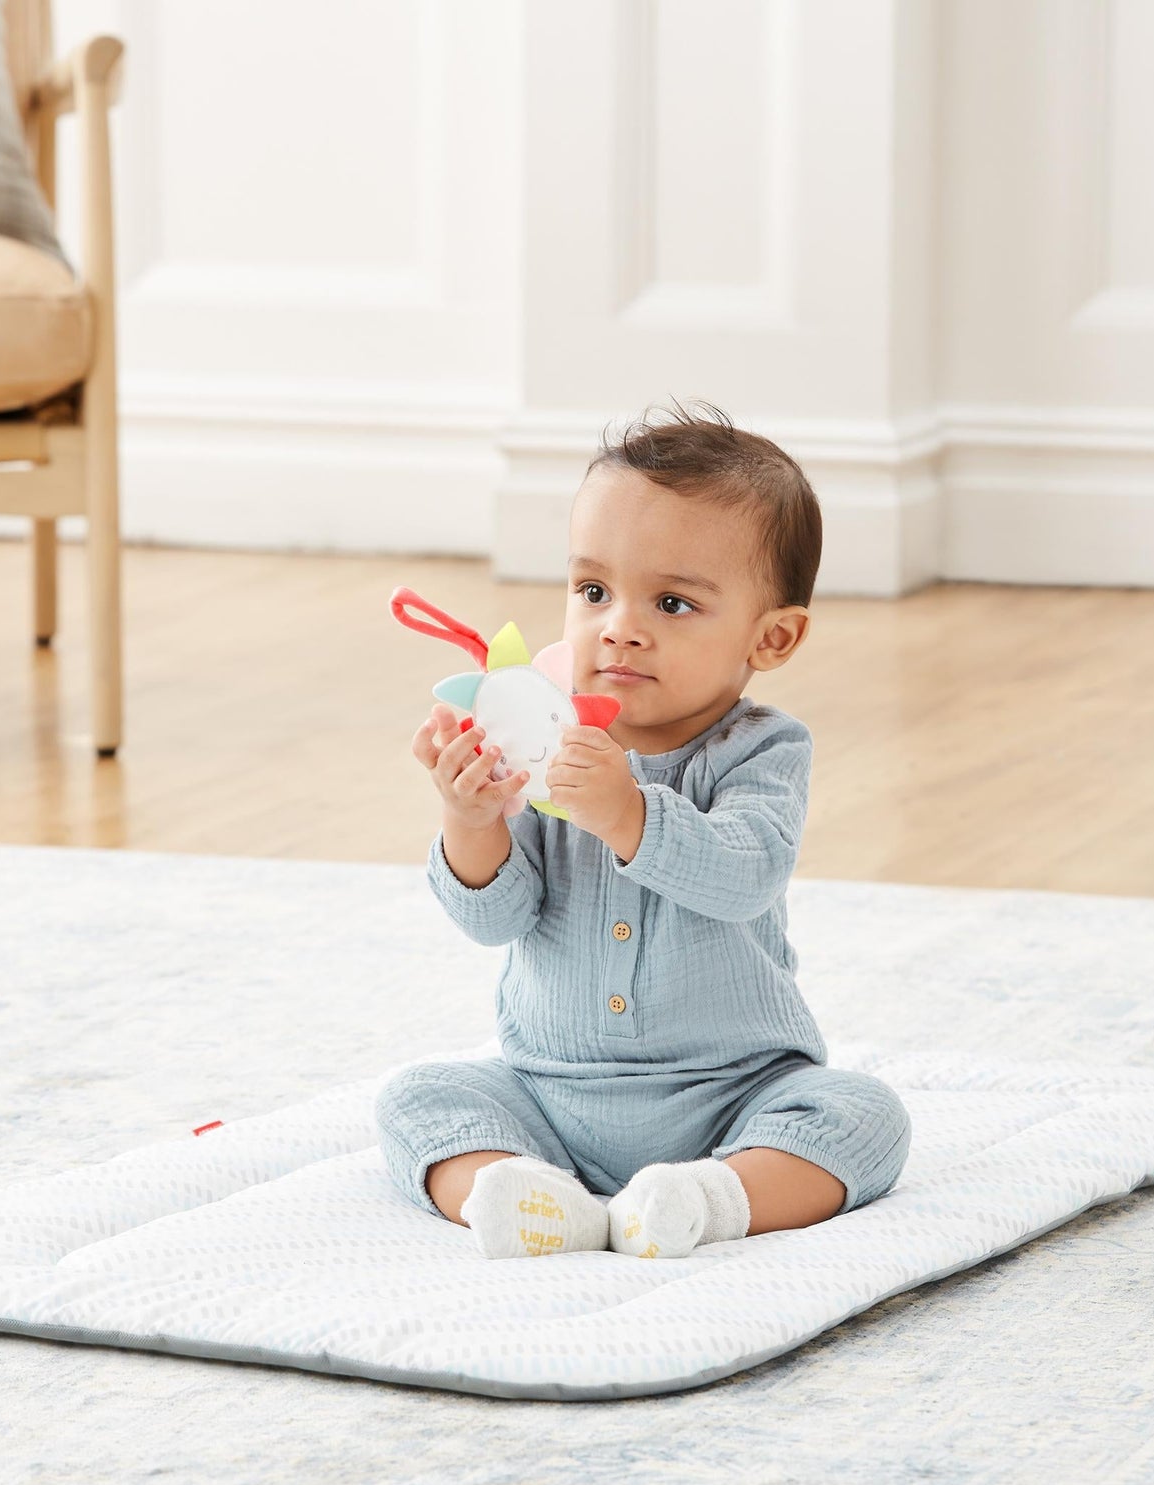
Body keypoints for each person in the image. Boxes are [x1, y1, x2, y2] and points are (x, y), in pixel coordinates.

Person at [374, 401, 910, 1259]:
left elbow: (744, 875)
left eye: (671, 602)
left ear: (770, 637)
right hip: (547, 1094)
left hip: (736, 1094)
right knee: (419, 1099)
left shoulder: (762, 750)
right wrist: (469, 818)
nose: (618, 625)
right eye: (593, 591)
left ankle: (706, 1198)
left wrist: (625, 811)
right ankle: (525, 1196)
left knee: (862, 1118)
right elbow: (493, 921)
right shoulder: (546, 742)